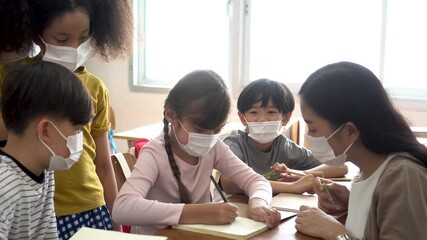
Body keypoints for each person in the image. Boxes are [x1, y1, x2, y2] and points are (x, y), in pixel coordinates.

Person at [0, 0, 133, 238]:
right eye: (62, 39)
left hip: (90, 205)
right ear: (37, 33)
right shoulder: (13, 80)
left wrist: (116, 220)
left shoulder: (95, 88)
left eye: (83, 39)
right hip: (30, 208)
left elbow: (103, 163)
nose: (74, 49)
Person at [112, 70, 281, 235]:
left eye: (217, 130)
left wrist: (258, 202)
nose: (209, 137)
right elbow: (122, 208)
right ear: (171, 115)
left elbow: (256, 180)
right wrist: (197, 213)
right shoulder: (155, 153)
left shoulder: (214, 147)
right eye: (200, 129)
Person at [294, 61, 427, 239]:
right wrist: (351, 203)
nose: (308, 136)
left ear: (350, 131)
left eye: (313, 128)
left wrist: (337, 234)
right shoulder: (367, 170)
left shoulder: (403, 176)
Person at [0, 61, 93, 239]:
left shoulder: (46, 173)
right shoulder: (4, 187)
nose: (79, 137)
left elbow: (49, 235)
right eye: (77, 129)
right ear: (45, 130)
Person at [220, 78, 348, 195]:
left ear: (286, 118)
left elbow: (340, 166)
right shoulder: (234, 143)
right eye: (254, 112)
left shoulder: (285, 146)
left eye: (271, 112)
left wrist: (298, 175)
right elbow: (229, 183)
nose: (262, 119)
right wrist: (292, 186)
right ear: (243, 118)